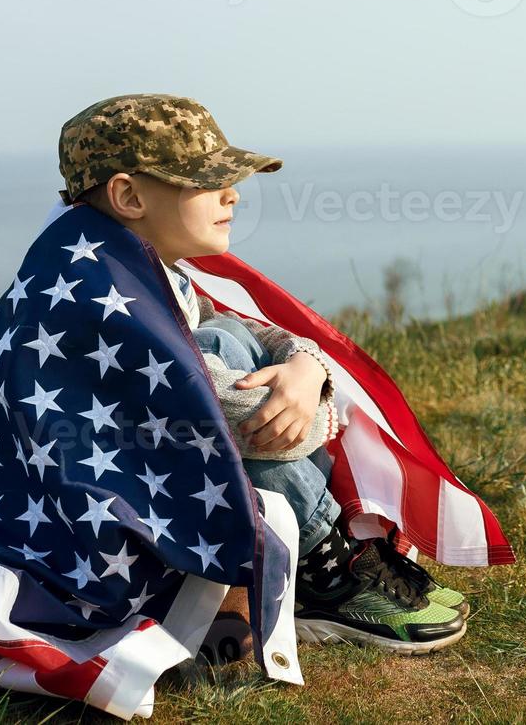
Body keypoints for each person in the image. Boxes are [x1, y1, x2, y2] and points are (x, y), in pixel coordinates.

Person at [57, 93, 468, 654]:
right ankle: (320, 568)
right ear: (128, 194)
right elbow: (230, 415)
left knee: (226, 336)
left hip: (156, 480)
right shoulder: (102, 297)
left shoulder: (142, 270)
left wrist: (305, 367)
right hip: (96, 526)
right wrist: (317, 403)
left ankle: (320, 549)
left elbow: (252, 331)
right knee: (216, 348)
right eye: (205, 181)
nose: (232, 195)